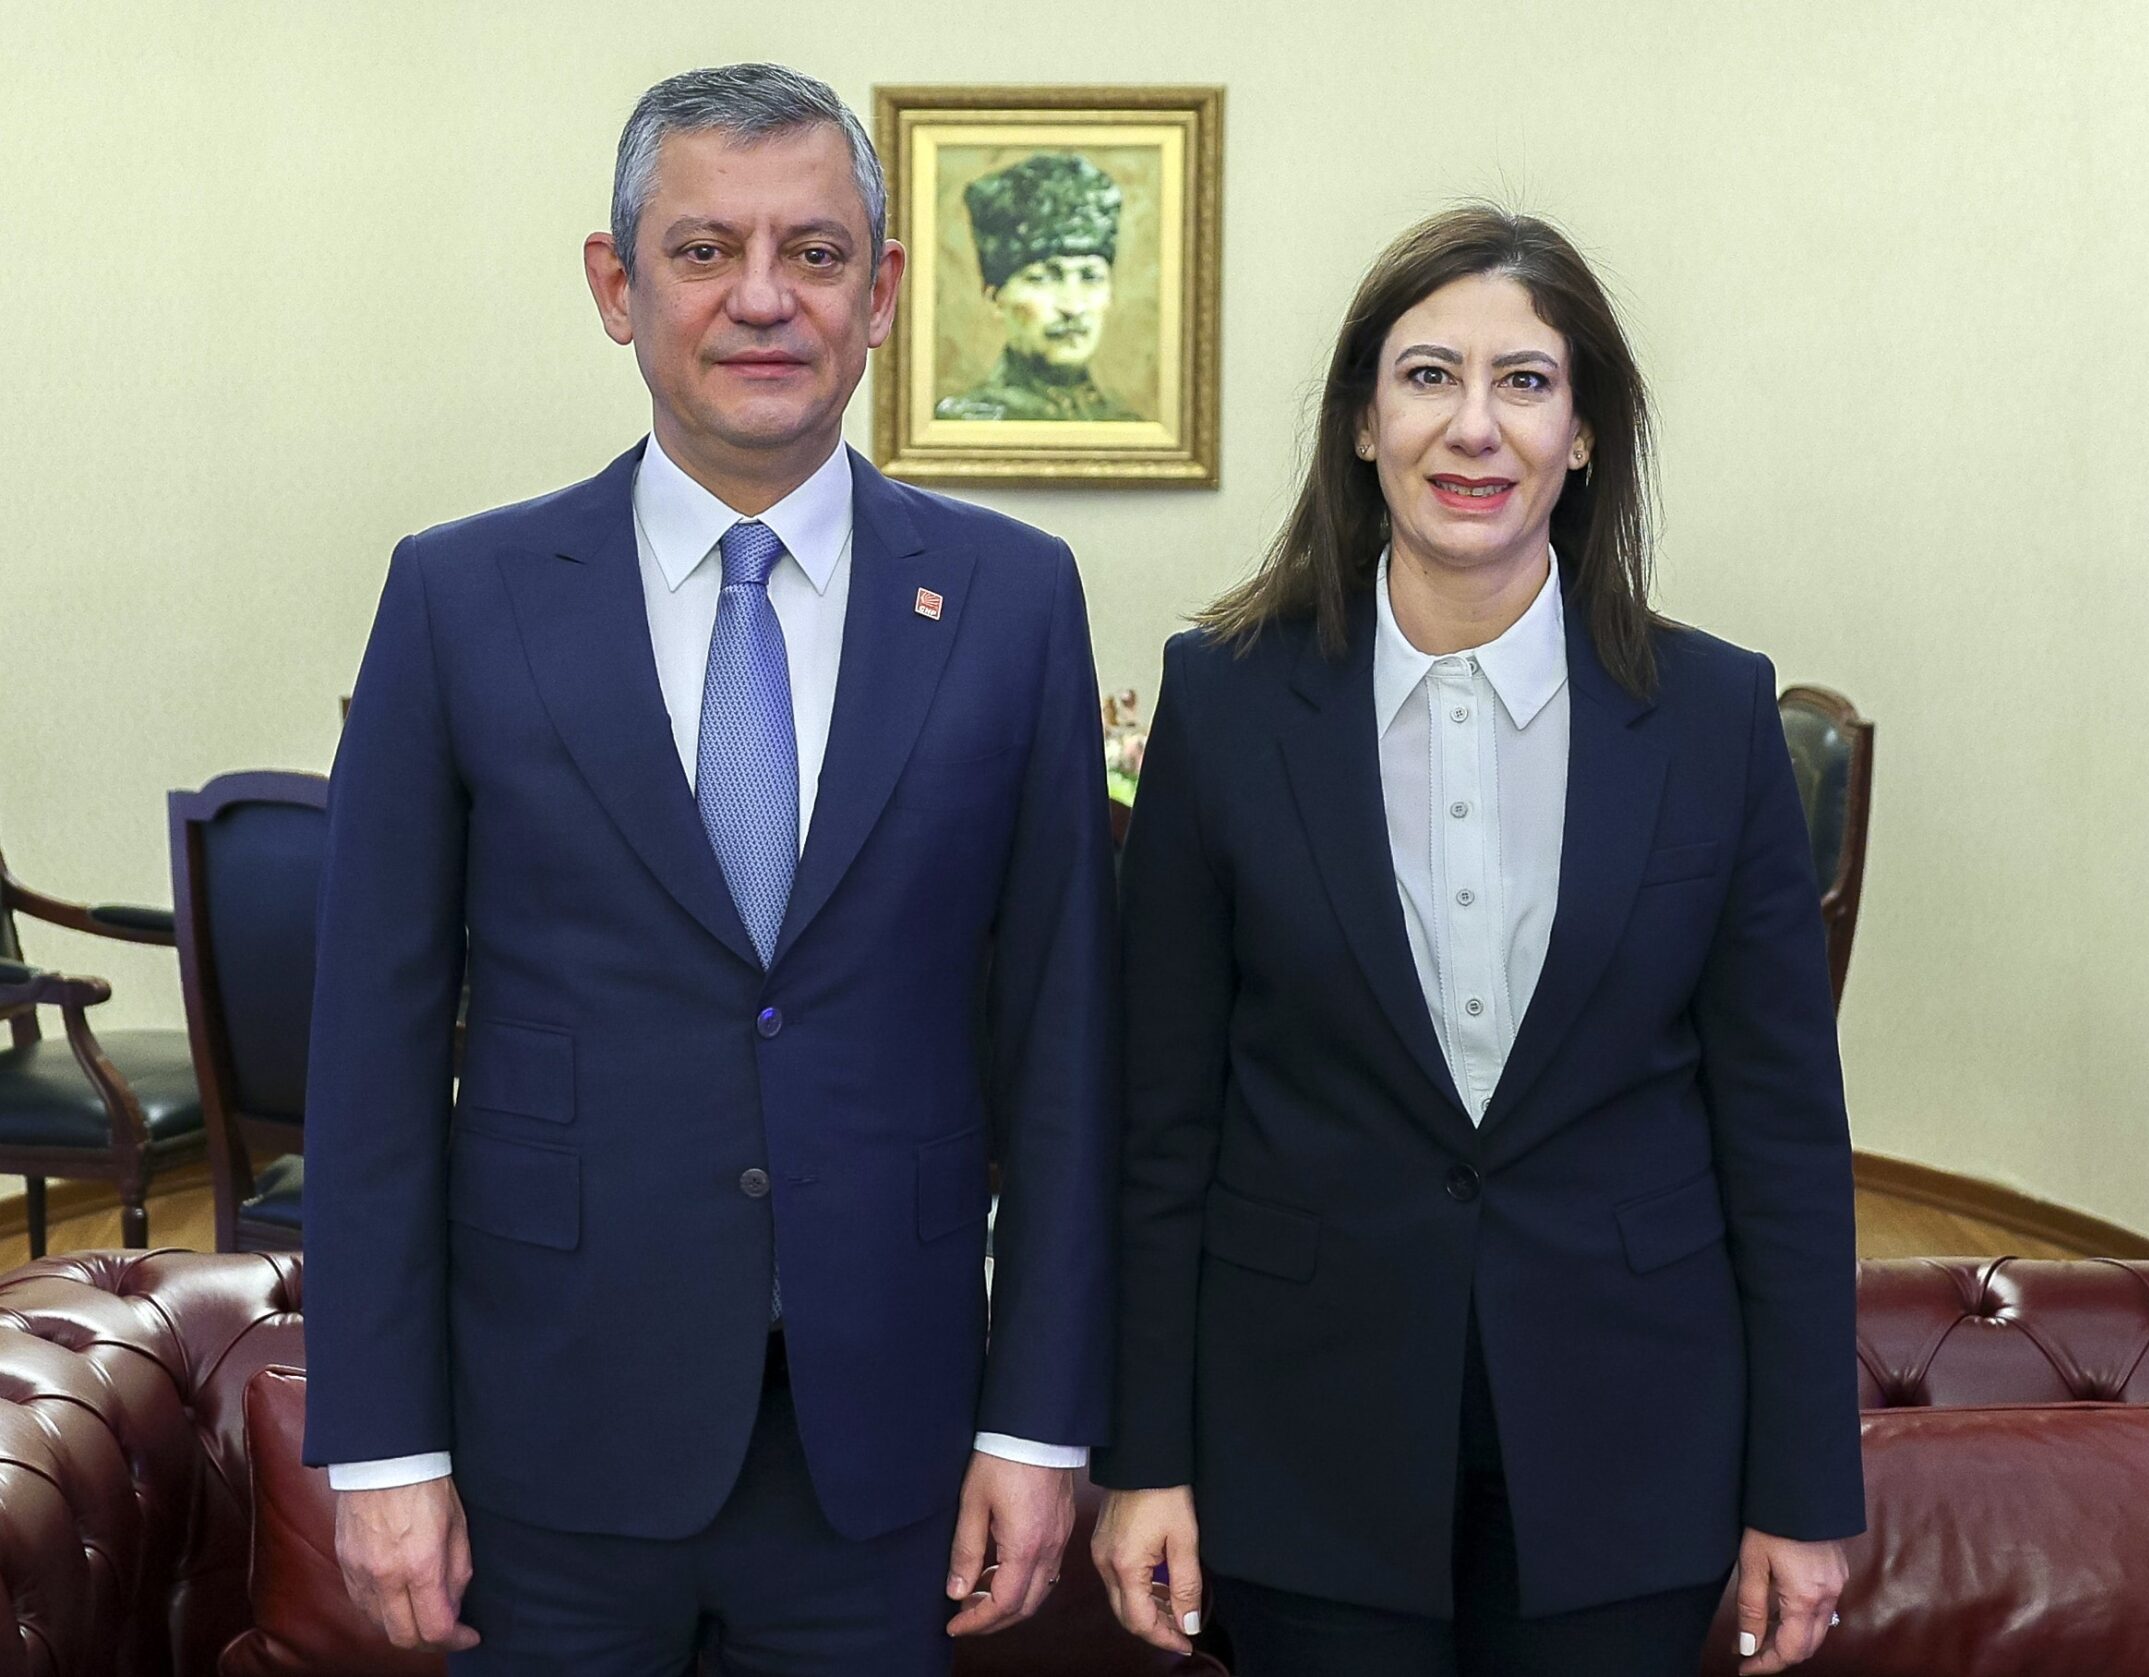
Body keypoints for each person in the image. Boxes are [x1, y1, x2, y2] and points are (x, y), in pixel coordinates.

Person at [302, 63, 1116, 1675]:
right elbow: (372, 1059)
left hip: (882, 1451)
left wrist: (1038, 1423)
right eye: (702, 251)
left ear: (882, 294)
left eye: (814, 253)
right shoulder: (461, 596)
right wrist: (384, 1447)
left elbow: (1065, 1046)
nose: (762, 298)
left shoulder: (1012, 601)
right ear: (617, 287)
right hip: (548, 1441)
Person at [1090, 205, 1863, 1677]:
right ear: (1363, 421)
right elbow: (1161, 1124)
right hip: (1299, 1440)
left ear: (1584, 433)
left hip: (1631, 1442)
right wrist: (1146, 1459)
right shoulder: (1228, 702)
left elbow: (1782, 1136)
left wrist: (1806, 1490)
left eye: (1525, 381)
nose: (1473, 426)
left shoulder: (1711, 717)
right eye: (1429, 375)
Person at [935, 152, 1138, 421]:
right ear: (995, 298)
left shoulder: (1128, 426)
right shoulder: (961, 423)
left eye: (1090, 277)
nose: (1073, 306)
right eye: (1043, 278)